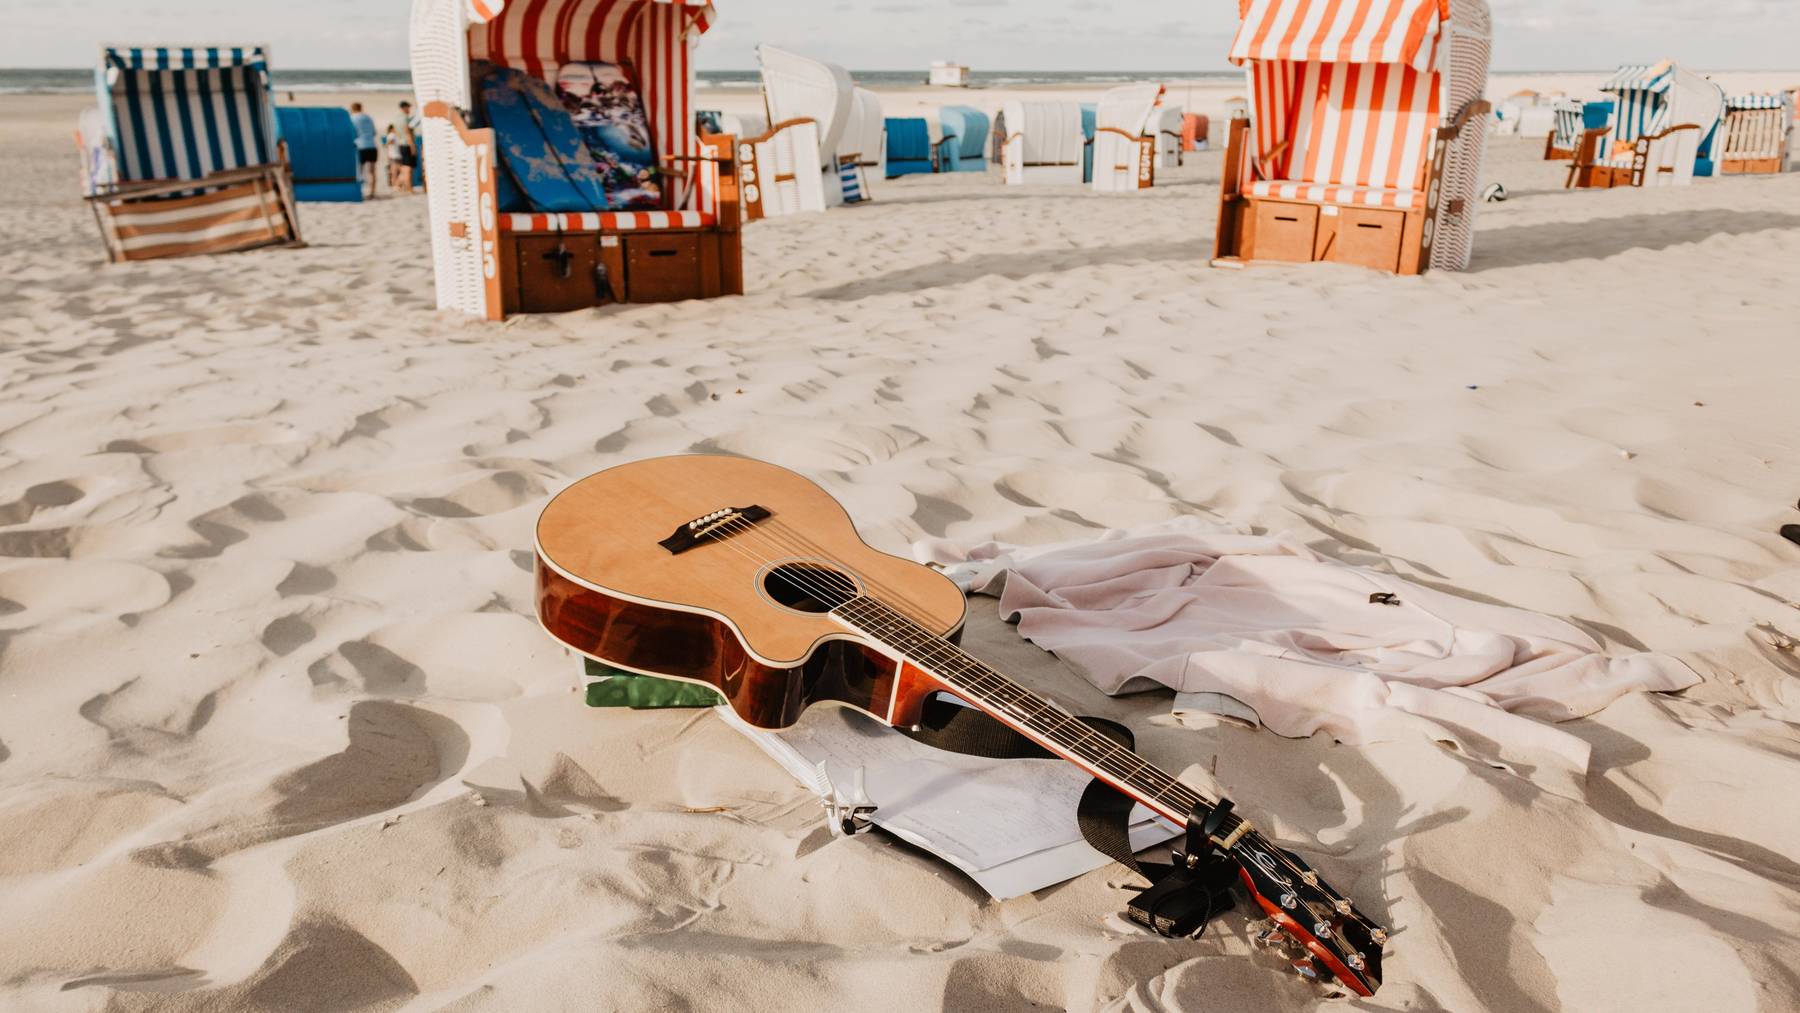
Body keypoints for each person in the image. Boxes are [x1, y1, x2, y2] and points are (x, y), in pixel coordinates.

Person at [350, 102, 378, 198]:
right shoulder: (368, 118)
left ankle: (360, 192)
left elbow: (352, 133)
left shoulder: (352, 118)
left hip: (360, 146)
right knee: (372, 171)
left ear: (352, 109)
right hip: (372, 145)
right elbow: (374, 132)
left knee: (359, 171)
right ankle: (372, 192)